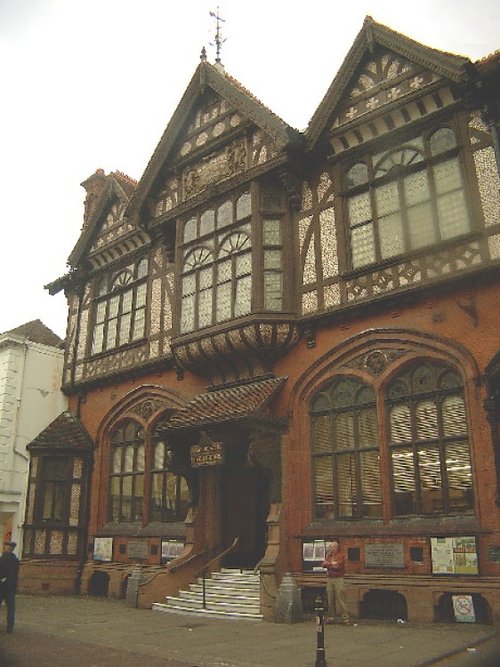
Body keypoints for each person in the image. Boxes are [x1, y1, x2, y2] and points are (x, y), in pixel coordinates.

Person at [322, 540, 351, 625]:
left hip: (339, 579)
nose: (330, 548)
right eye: (330, 547)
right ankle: (331, 617)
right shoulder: (329, 555)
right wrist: (331, 564)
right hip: (330, 579)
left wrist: (329, 564)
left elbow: (337, 566)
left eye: (331, 547)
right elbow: (324, 564)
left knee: (341, 599)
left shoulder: (341, 556)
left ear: (336, 547)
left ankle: (345, 618)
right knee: (330, 598)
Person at [0, 540, 20, 633]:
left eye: (10, 547)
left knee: (11, 607)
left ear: (13, 549)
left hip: (9, 587)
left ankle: (10, 627)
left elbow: (14, 574)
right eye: (7, 546)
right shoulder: (1, 559)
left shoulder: (15, 561)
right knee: (11, 607)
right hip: (1, 586)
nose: (8, 548)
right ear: (4, 547)